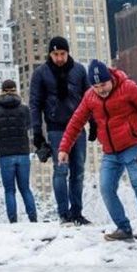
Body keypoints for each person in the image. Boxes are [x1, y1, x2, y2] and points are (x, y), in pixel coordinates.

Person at [58, 61, 137, 245]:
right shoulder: (90, 97)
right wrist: (64, 148)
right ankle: (123, 228)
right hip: (110, 152)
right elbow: (76, 122)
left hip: (132, 145)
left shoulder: (127, 87)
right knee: (106, 188)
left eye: (103, 84)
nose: (101, 90)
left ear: (110, 79)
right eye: (96, 86)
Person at [30, 36, 94, 225]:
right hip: (56, 128)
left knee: (79, 171)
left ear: (68, 52)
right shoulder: (41, 73)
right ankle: (63, 214)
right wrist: (37, 133)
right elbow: (35, 104)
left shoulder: (79, 70)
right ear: (50, 54)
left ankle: (77, 213)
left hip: (78, 127)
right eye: (55, 54)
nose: (59, 58)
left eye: (62, 54)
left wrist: (95, 123)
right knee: (61, 170)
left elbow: (89, 98)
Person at [0, 79, 38, 223]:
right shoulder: (24, 108)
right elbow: (28, 126)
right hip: (22, 152)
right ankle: (33, 219)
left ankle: (13, 220)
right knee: (25, 188)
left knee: (9, 190)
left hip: (5, 155)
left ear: (1, 91)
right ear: (16, 90)